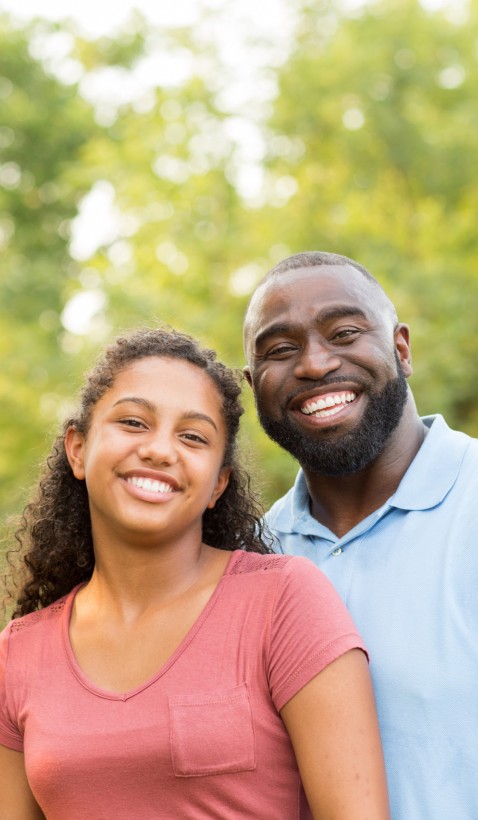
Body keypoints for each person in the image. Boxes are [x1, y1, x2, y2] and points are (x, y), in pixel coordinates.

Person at [0, 326, 389, 820]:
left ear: (217, 484)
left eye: (192, 436)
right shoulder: (19, 653)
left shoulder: (284, 599)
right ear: (77, 448)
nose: (161, 450)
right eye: (134, 423)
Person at [243, 249, 478, 820]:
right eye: (280, 349)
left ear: (401, 348)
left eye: (344, 332)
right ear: (253, 386)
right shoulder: (248, 556)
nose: (316, 365)